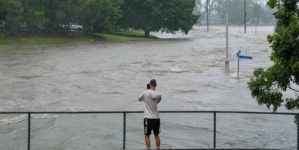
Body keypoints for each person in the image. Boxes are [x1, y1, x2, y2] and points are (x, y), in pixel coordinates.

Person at [138, 79, 162, 150]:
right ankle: (158, 148)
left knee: (147, 135)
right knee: (157, 135)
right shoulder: (159, 94)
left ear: (150, 84)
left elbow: (139, 99)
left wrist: (144, 91)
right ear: (156, 85)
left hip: (148, 118)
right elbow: (157, 101)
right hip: (156, 118)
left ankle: (148, 149)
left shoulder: (145, 92)